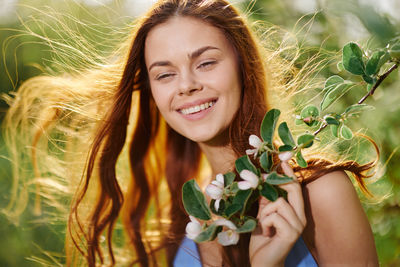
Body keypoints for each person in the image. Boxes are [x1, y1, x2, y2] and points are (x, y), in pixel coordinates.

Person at [3, 0, 379, 266]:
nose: (186, 86)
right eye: (164, 74)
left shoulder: (321, 194)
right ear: (153, 92)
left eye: (206, 62)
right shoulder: (191, 220)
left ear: (242, 67)